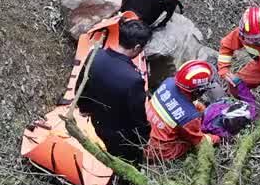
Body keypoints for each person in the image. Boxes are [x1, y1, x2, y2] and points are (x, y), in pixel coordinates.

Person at [76, 17, 153, 165]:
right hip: (120, 135)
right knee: (128, 163)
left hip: (97, 121)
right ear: (137, 48)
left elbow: (81, 86)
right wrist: (143, 139)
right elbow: (137, 118)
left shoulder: (95, 55)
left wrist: (84, 108)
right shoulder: (134, 80)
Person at [145, 59, 221, 162]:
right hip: (159, 151)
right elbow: (200, 142)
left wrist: (200, 109)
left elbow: (180, 100)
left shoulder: (169, 82)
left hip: (145, 133)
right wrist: (217, 137)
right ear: (198, 91)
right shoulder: (189, 117)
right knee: (189, 143)